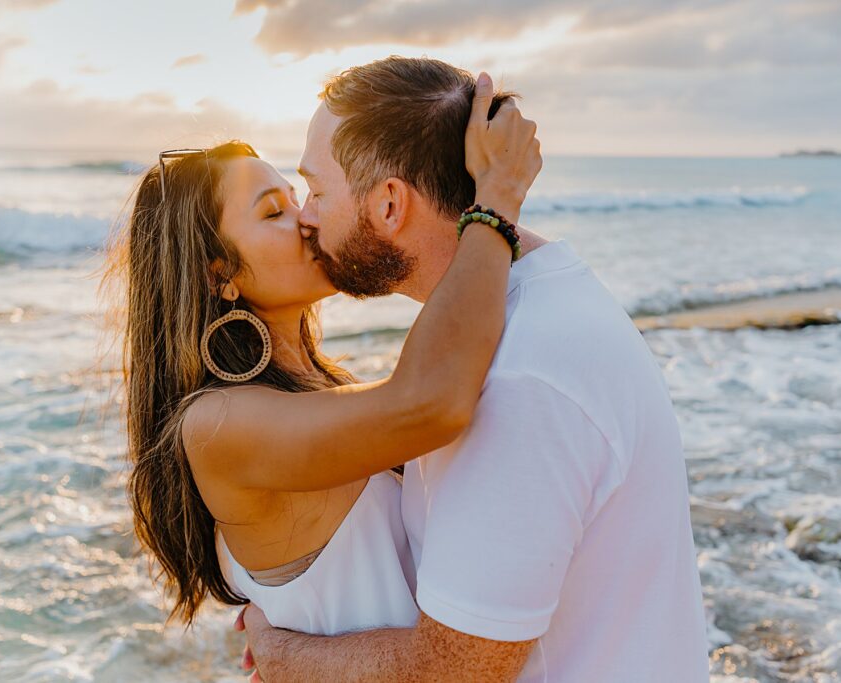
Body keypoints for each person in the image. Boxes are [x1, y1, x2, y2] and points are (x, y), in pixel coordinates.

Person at [238, 56, 709, 682]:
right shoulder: (521, 306)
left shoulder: (519, 378)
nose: (306, 216)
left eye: (318, 192)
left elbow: (456, 670)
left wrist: (285, 656)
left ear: (388, 205)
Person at [101, 70, 541, 639]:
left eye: (300, 196)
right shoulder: (217, 424)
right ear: (221, 276)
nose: (307, 218)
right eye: (272, 212)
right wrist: (495, 200)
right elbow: (435, 402)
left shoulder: (322, 388)